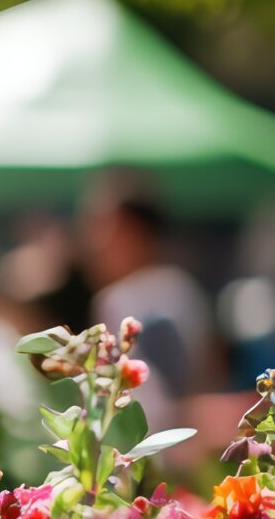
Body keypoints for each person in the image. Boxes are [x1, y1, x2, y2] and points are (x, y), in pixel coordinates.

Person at [83, 171, 218, 428]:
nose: (95, 243)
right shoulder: (183, 285)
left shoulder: (115, 300)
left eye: (105, 227)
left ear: (136, 233)